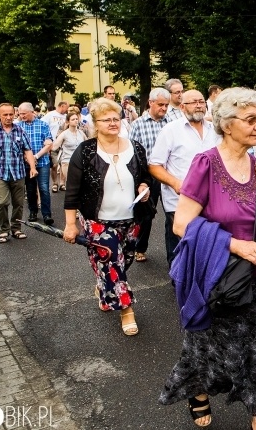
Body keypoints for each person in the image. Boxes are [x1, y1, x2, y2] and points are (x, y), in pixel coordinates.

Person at [160, 87, 256, 429]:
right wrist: (233, 244)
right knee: (208, 347)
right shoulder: (206, 163)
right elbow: (181, 223)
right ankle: (199, 391)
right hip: (220, 275)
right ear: (226, 123)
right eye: (250, 119)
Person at [63, 98, 151, 336]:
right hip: (98, 222)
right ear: (95, 123)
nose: (113, 123)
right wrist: (71, 224)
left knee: (124, 260)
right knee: (114, 265)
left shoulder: (135, 147)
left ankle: (104, 286)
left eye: (116, 118)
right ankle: (127, 311)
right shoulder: (86, 151)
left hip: (131, 220)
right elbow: (72, 191)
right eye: (107, 120)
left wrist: (144, 187)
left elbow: (146, 176)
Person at [149, 89, 218, 267]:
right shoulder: (170, 130)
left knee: (206, 242)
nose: (199, 105)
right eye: (193, 102)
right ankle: (179, 281)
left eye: (201, 101)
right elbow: (155, 165)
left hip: (212, 199)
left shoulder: (215, 130)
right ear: (182, 107)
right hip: (179, 200)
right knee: (181, 245)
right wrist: (175, 183)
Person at [0, 103, 37, 243]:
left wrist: (32, 167)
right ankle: (4, 230)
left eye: (11, 114)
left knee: (18, 203)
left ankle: (16, 228)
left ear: (15, 114)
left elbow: (28, 150)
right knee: (2, 202)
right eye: (5, 115)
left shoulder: (20, 130)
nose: (8, 117)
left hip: (18, 173)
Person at [128, 88, 171, 263]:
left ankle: (175, 252)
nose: (164, 108)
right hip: (148, 176)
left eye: (167, 105)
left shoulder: (171, 122)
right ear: (151, 102)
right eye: (161, 104)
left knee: (173, 213)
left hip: (169, 174)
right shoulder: (138, 124)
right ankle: (140, 247)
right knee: (146, 215)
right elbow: (132, 153)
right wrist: (139, 181)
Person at [17, 102, 54, 225]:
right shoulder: (18, 127)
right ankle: (33, 211)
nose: (21, 116)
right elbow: (17, 146)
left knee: (44, 188)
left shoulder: (43, 124)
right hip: (26, 162)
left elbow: (49, 143)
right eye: (20, 113)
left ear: (31, 112)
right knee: (30, 188)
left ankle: (47, 214)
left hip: (42, 161)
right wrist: (27, 157)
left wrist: (36, 156)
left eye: (24, 113)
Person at [51, 112, 86, 192]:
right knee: (73, 183)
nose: (75, 121)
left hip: (80, 161)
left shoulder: (81, 133)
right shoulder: (64, 134)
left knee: (81, 184)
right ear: (68, 121)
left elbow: (87, 146)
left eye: (77, 119)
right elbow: (54, 147)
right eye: (73, 119)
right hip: (67, 161)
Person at [42, 101, 69, 192]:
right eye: (66, 107)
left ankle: (62, 183)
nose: (67, 110)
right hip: (53, 144)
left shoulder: (66, 117)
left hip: (63, 144)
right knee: (54, 165)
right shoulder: (50, 115)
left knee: (63, 164)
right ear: (62, 106)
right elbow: (43, 126)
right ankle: (54, 183)